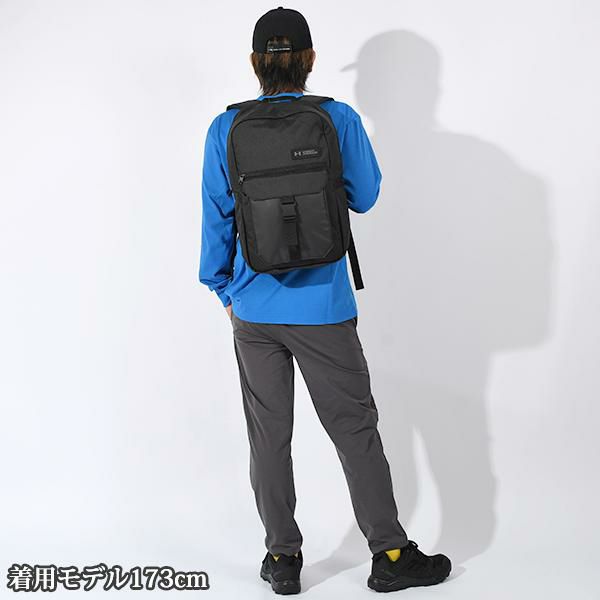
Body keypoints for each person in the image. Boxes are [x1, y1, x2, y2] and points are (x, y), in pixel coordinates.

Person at [199, 6, 452, 594]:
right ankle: (390, 555)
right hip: (325, 310)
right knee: (354, 430)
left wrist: (224, 289)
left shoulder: (224, 128)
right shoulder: (337, 119)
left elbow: (216, 218)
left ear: (256, 63)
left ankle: (282, 558)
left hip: (254, 312)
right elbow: (366, 195)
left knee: (269, 437)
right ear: (309, 59)